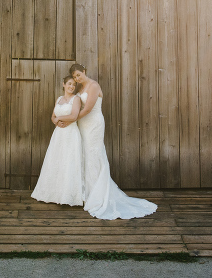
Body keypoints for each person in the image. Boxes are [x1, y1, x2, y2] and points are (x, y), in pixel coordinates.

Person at [57, 63, 157, 220]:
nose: (77, 78)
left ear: (84, 71)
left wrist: (70, 120)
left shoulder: (93, 85)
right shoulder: (80, 89)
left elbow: (88, 109)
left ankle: (98, 195)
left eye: (78, 75)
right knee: (84, 155)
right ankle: (86, 193)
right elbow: (75, 107)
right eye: (75, 77)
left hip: (93, 124)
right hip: (82, 124)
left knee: (93, 155)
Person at [31, 76, 84, 206]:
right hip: (59, 134)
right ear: (64, 84)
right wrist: (55, 120)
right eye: (69, 84)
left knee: (69, 162)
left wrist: (60, 118)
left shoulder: (76, 99)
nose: (72, 87)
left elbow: (74, 116)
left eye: (74, 85)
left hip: (71, 133)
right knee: (56, 160)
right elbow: (53, 116)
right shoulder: (59, 99)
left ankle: (68, 195)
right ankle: (53, 193)